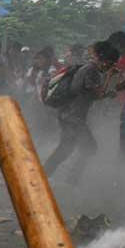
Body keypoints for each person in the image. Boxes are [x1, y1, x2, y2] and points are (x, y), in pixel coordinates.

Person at [43, 41, 119, 179]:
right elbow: (97, 94)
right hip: (73, 116)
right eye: (110, 63)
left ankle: (45, 174)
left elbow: (88, 95)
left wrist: (108, 93)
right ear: (104, 59)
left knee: (66, 148)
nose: (110, 66)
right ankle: (72, 178)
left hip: (68, 114)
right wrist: (109, 77)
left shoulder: (87, 68)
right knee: (89, 148)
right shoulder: (91, 70)